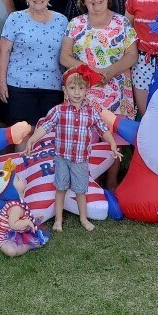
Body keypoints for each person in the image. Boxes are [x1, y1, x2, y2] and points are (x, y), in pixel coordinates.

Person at [60, 0, 138, 189]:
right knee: (85, 135)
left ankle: (112, 181)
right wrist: (91, 71)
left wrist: (110, 71)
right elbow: (65, 57)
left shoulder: (122, 22)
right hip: (84, 89)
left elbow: (132, 55)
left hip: (116, 87)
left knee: (114, 134)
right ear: (83, 0)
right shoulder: (75, 24)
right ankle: (88, 180)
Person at [24, 67, 120, 232]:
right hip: (62, 158)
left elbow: (103, 129)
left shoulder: (91, 112)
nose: (77, 92)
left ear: (87, 90)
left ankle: (83, 218)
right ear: (65, 90)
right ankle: (58, 220)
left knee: (80, 190)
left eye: (81, 88)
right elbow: (45, 127)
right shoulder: (58, 110)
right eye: (72, 88)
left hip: (80, 160)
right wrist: (33, 138)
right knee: (60, 188)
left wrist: (112, 143)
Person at [0, 0, 68, 139]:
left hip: (53, 87)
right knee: (22, 135)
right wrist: (1, 83)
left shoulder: (61, 20)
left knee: (49, 137)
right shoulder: (15, 18)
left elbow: (67, 53)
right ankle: (23, 166)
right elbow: (3, 51)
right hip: (20, 87)